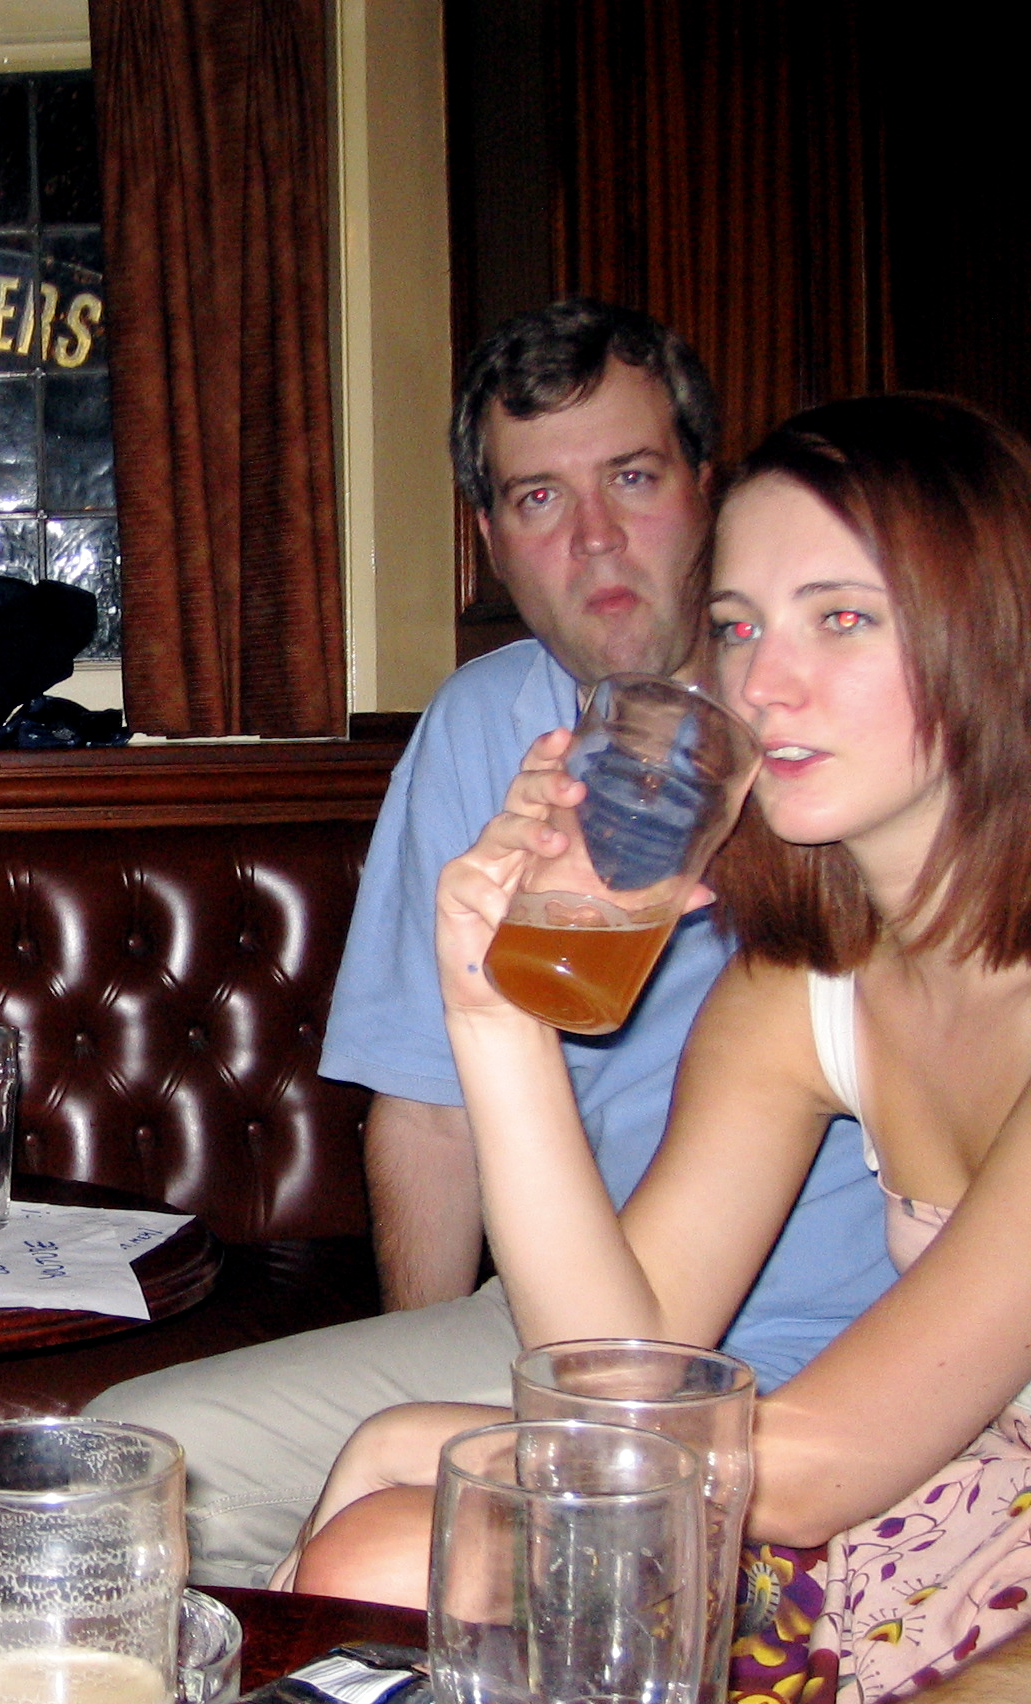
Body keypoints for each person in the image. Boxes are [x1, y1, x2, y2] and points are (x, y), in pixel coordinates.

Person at [89, 300, 891, 1584]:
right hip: (577, 1323)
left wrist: (428, 1441)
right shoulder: (485, 729)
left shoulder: (841, 762)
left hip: (832, 1354)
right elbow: (428, 1108)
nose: (594, 539)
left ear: (709, 488)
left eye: (632, 477)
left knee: (391, 1528)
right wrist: (434, 1358)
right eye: (536, 500)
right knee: (122, 1464)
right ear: (489, 544)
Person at [294, 392, 1031, 1702]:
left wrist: (430, 1440)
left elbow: (809, 1469)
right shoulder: (801, 994)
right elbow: (619, 1368)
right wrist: (494, 1006)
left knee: (415, 1492)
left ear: (992, 625)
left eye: (841, 618)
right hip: (930, 1523)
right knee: (386, 1546)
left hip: (955, 1540)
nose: (762, 680)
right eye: (738, 626)